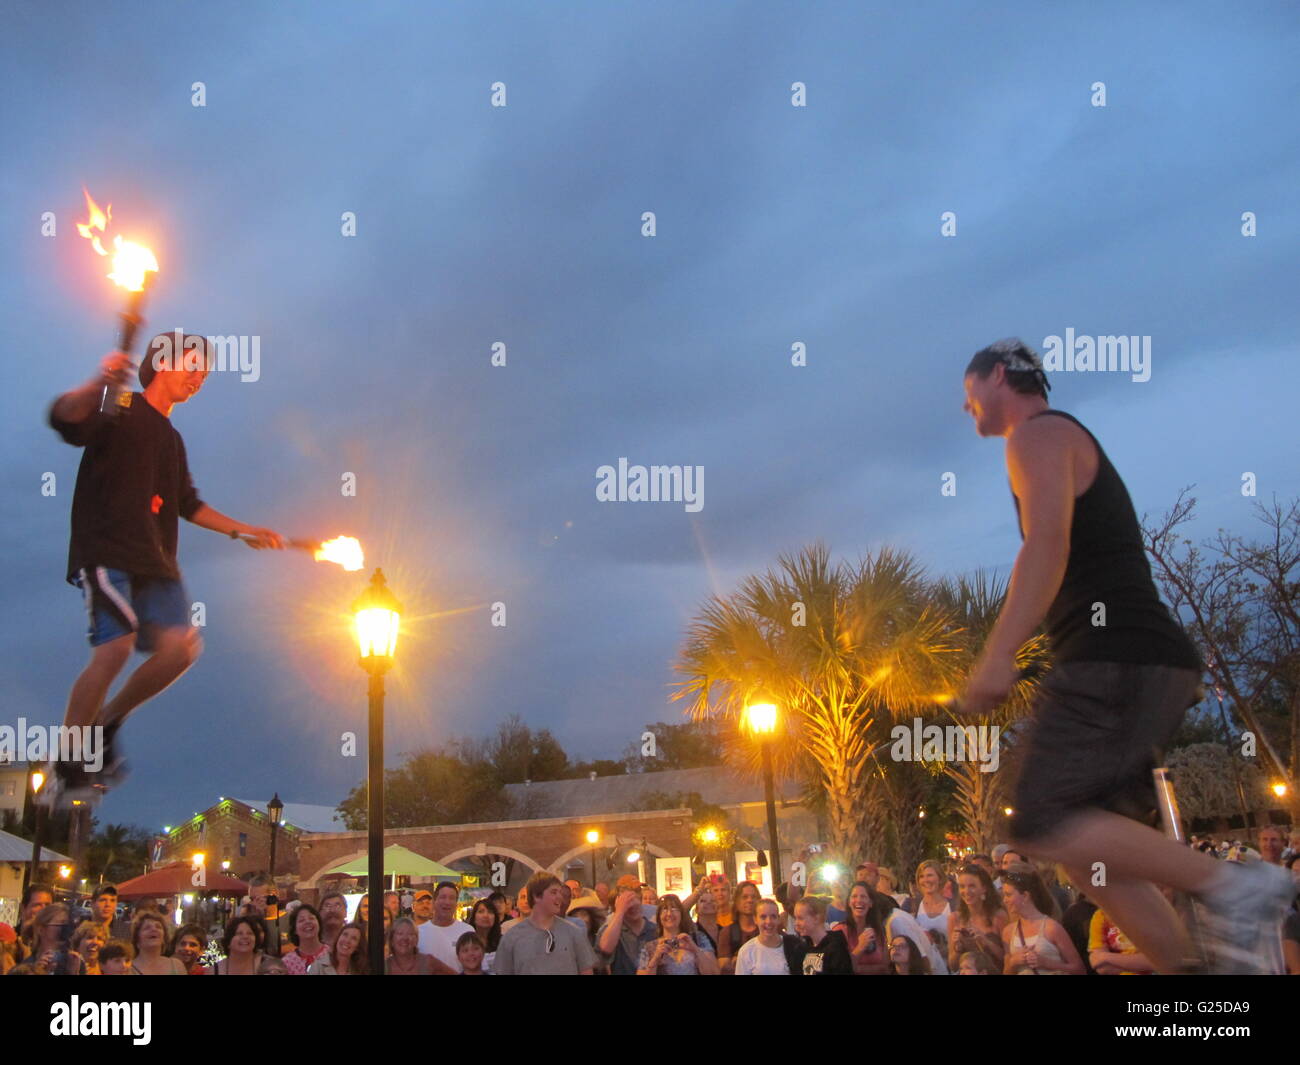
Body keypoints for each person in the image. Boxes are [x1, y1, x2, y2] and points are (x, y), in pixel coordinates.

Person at [958, 337, 1296, 973]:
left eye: (968, 393)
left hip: (1115, 656)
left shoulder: (1036, 435)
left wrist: (999, 653)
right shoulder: (1051, 440)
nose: (964, 407)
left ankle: (1242, 888)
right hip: (1139, 657)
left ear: (999, 375)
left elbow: (1047, 545)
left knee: (1037, 816)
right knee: (1086, 851)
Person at [45, 338, 285, 801]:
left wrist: (243, 530)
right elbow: (65, 419)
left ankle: (106, 724)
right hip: (108, 551)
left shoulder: (172, 440)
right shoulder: (120, 406)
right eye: (191, 365)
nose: (199, 376)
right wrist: (102, 379)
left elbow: (187, 504)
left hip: (156, 564)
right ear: (160, 363)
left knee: (182, 649)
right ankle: (69, 755)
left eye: (205, 373)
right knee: (116, 647)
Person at [494, 872, 596, 975]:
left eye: (560, 893)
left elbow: (586, 971)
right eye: (554, 892)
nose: (560, 897)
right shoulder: (512, 937)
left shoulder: (574, 933)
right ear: (536, 896)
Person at [1000, 869, 1084, 975]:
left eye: (1008, 895)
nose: (1004, 900)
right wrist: (1013, 962)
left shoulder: (1052, 928)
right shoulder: (1008, 932)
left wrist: (1047, 963)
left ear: (1025, 896)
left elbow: (1079, 969)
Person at [636, 894, 719, 975]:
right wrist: (655, 959)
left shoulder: (698, 938)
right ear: (659, 916)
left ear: (681, 914)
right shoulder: (650, 946)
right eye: (664, 909)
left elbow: (714, 972)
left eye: (674, 909)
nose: (669, 914)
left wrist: (695, 949)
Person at [947, 863, 1006, 972]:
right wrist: (957, 948)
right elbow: (953, 966)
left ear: (984, 888)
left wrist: (985, 941)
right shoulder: (954, 918)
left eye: (972, 886)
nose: (966, 891)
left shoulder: (999, 916)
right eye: (962, 887)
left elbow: (1007, 959)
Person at [597, 880, 660, 975]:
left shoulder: (655, 930)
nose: (632, 906)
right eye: (627, 904)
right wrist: (620, 911)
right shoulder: (610, 930)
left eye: (634, 900)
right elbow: (606, 948)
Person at [8, 904, 87, 975]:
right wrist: (36, 971)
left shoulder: (74, 963)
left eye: (68, 925)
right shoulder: (24, 968)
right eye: (61, 924)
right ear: (41, 929)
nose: (66, 929)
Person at [832, 881, 890, 975]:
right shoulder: (839, 931)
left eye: (863, 896)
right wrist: (860, 947)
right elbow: (838, 969)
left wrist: (857, 969)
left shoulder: (878, 931)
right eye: (854, 896)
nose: (859, 900)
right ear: (849, 903)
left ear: (871, 903)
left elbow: (885, 968)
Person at [735, 899, 804, 975]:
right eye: (763, 917)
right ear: (755, 919)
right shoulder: (746, 951)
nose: (768, 921)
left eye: (773, 916)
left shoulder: (793, 946)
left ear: (778, 919)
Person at [417, 882, 471, 973]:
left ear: (456, 903)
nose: (447, 902)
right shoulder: (418, 932)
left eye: (452, 898)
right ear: (434, 901)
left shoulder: (467, 931)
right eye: (443, 897)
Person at [1089, 905, 1159, 975]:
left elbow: (1157, 960)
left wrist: (1104, 957)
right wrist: (1140, 964)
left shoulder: (1149, 911)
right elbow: (1102, 968)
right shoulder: (1100, 916)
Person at [793, 895, 852, 975]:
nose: (796, 923)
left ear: (816, 919)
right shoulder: (801, 949)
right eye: (795, 918)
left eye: (800, 918)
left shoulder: (835, 947)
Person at [214, 915, 287, 975]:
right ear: (228, 941)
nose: (245, 937)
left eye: (250, 933)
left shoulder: (272, 966)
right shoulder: (215, 970)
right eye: (239, 933)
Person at [716, 881, 761, 974]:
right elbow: (724, 967)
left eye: (753, 897)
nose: (750, 900)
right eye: (745, 897)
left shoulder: (766, 929)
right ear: (736, 901)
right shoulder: (727, 932)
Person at [911, 860, 952, 955]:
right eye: (921, 876)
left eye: (930, 875)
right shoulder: (913, 905)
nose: (925, 880)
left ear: (940, 878)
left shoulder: (952, 906)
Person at [282, 903, 329, 975]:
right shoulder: (287, 962)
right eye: (301, 920)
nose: (307, 922)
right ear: (295, 930)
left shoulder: (332, 954)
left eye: (311, 918)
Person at [14, 883, 53, 965]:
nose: (44, 909)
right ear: (23, 908)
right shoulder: (9, 941)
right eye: (37, 905)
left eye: (47, 905)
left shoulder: (53, 944)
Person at [468, 898, 503, 969]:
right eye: (481, 911)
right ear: (474, 917)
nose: (486, 915)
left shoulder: (503, 941)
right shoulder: (467, 941)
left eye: (490, 912)